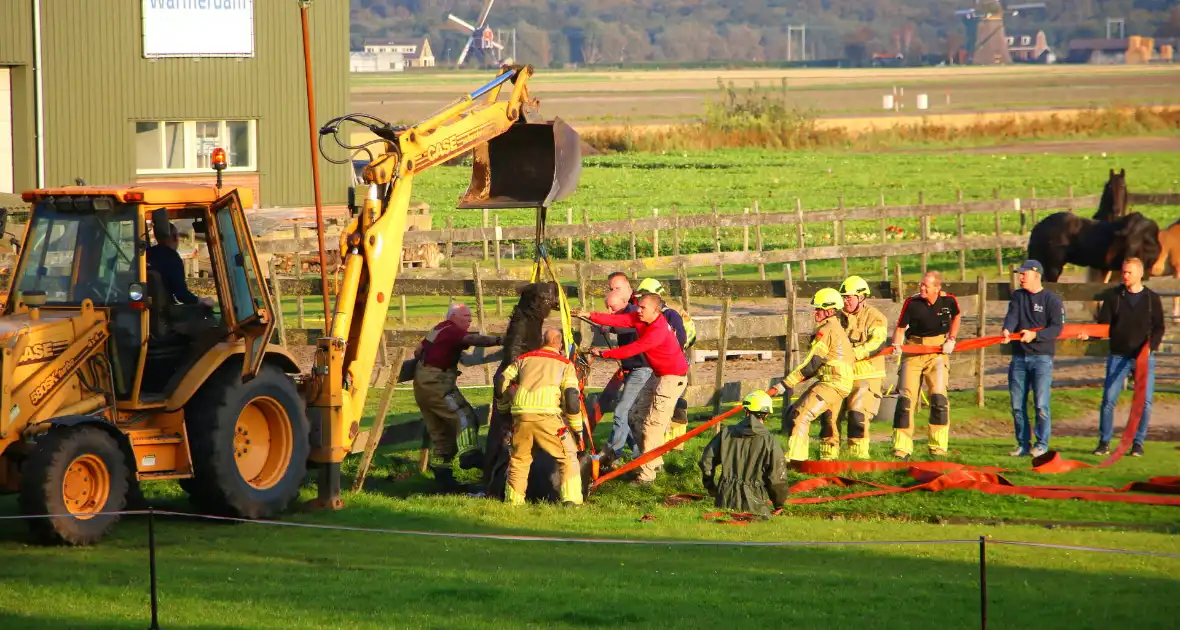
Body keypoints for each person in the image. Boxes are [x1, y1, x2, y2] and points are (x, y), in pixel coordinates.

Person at [575, 292, 689, 485]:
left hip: (672, 379)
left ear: (656, 311)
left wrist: (605, 353)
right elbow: (618, 320)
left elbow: (632, 349)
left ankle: (646, 477)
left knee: (652, 427)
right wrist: (588, 315)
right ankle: (653, 462)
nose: (638, 310)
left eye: (643, 308)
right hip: (658, 374)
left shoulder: (658, 331)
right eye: (639, 306)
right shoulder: (639, 317)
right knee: (634, 417)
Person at [412, 303, 503, 490]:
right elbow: (474, 340)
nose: (469, 320)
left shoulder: (438, 328)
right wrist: (501, 340)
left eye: (470, 317)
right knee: (464, 415)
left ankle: (443, 479)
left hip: (422, 384)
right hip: (437, 382)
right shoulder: (452, 330)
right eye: (465, 317)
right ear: (453, 317)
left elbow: (418, 350)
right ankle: (470, 455)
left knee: (442, 435)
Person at [1080, 257, 1164, 457]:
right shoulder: (1114, 297)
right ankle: (1104, 442)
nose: (1125, 276)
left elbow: (1159, 327)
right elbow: (1103, 326)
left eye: (1129, 272)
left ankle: (1138, 443)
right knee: (1109, 399)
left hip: (1143, 356)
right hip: (1118, 355)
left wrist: (1151, 347)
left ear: (1139, 274)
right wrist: (1089, 335)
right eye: (1124, 272)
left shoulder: (1152, 299)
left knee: (1145, 401)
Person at [496, 329, 585, 506]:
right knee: (568, 456)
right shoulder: (565, 364)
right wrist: (577, 429)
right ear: (559, 344)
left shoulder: (523, 359)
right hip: (548, 417)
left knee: (519, 460)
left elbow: (501, 381)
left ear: (543, 341)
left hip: (521, 416)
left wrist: (503, 407)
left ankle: (513, 503)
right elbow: (571, 398)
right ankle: (572, 501)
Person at [767, 288, 854, 463]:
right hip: (837, 382)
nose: (815, 312)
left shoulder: (827, 330)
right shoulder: (836, 327)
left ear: (829, 310)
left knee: (801, 414)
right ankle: (828, 460)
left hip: (833, 383)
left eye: (819, 309)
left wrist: (783, 385)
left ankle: (796, 460)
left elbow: (811, 364)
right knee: (829, 421)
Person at [818, 275, 890, 460]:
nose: (844, 301)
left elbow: (877, 342)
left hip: (867, 375)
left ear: (862, 297)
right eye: (843, 297)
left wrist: (855, 353)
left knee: (857, 414)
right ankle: (827, 458)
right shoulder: (836, 318)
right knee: (829, 415)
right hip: (839, 376)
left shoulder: (876, 318)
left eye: (848, 297)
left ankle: (857, 459)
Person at [891, 271, 961, 459]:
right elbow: (899, 329)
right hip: (914, 350)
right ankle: (901, 448)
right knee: (905, 400)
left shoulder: (949, 301)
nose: (922, 288)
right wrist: (897, 345)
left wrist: (951, 339)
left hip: (937, 351)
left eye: (926, 286)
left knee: (939, 398)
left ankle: (937, 447)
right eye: (921, 285)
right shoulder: (911, 303)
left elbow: (957, 316)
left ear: (937, 289)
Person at [1001, 260, 1065, 458]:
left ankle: (1041, 444)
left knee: (1040, 404)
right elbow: (1012, 316)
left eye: (1023, 274)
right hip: (1019, 357)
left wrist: (1035, 335)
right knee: (1017, 405)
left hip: (1041, 358)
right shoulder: (1018, 297)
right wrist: (1007, 329)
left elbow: (1057, 328)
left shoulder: (1051, 300)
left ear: (1036, 275)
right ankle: (1022, 444)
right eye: (1019, 274)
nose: (1020, 278)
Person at [698, 391, 790, 519]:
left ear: (746, 411)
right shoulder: (770, 441)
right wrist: (779, 504)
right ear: (767, 414)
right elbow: (777, 478)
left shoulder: (726, 433)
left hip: (724, 500)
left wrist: (711, 486)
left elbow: (706, 461)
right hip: (756, 506)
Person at [598, 272, 650, 464]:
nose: (611, 312)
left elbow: (630, 326)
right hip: (633, 370)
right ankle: (641, 455)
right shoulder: (623, 313)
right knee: (628, 415)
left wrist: (609, 326)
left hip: (642, 370)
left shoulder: (635, 312)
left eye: (612, 308)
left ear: (626, 292)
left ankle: (611, 456)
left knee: (621, 411)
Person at [146, 221, 214, 308]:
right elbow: (181, 295)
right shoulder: (172, 258)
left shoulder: (143, 255)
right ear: (175, 237)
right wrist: (201, 300)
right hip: (163, 312)